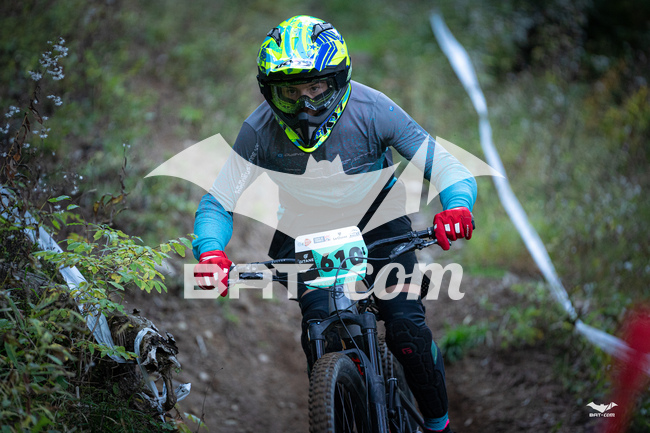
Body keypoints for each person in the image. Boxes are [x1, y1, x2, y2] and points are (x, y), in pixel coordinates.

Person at [193, 15, 476, 433]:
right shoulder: (258, 131)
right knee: (319, 332)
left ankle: (438, 426)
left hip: (379, 221)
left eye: (316, 89)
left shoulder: (374, 110)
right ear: (270, 92)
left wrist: (457, 206)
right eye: (290, 93)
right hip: (305, 229)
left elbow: (446, 165)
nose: (305, 106)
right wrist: (210, 252)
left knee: (406, 330)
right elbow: (217, 202)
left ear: (338, 82)